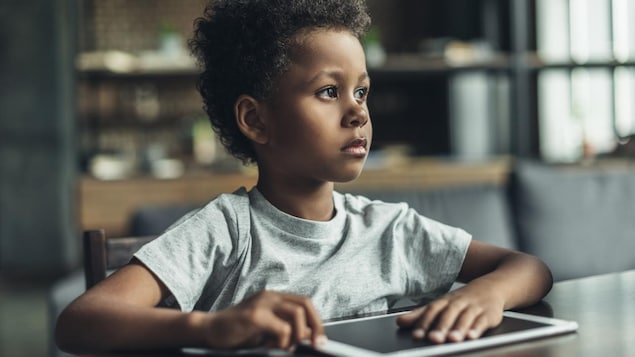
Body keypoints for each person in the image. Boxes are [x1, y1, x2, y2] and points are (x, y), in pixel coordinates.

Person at [55, 0, 553, 353]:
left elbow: (531, 269)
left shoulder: (392, 231)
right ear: (256, 120)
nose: (358, 113)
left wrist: (486, 294)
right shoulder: (227, 230)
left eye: (361, 91)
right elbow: (79, 323)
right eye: (327, 92)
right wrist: (210, 327)